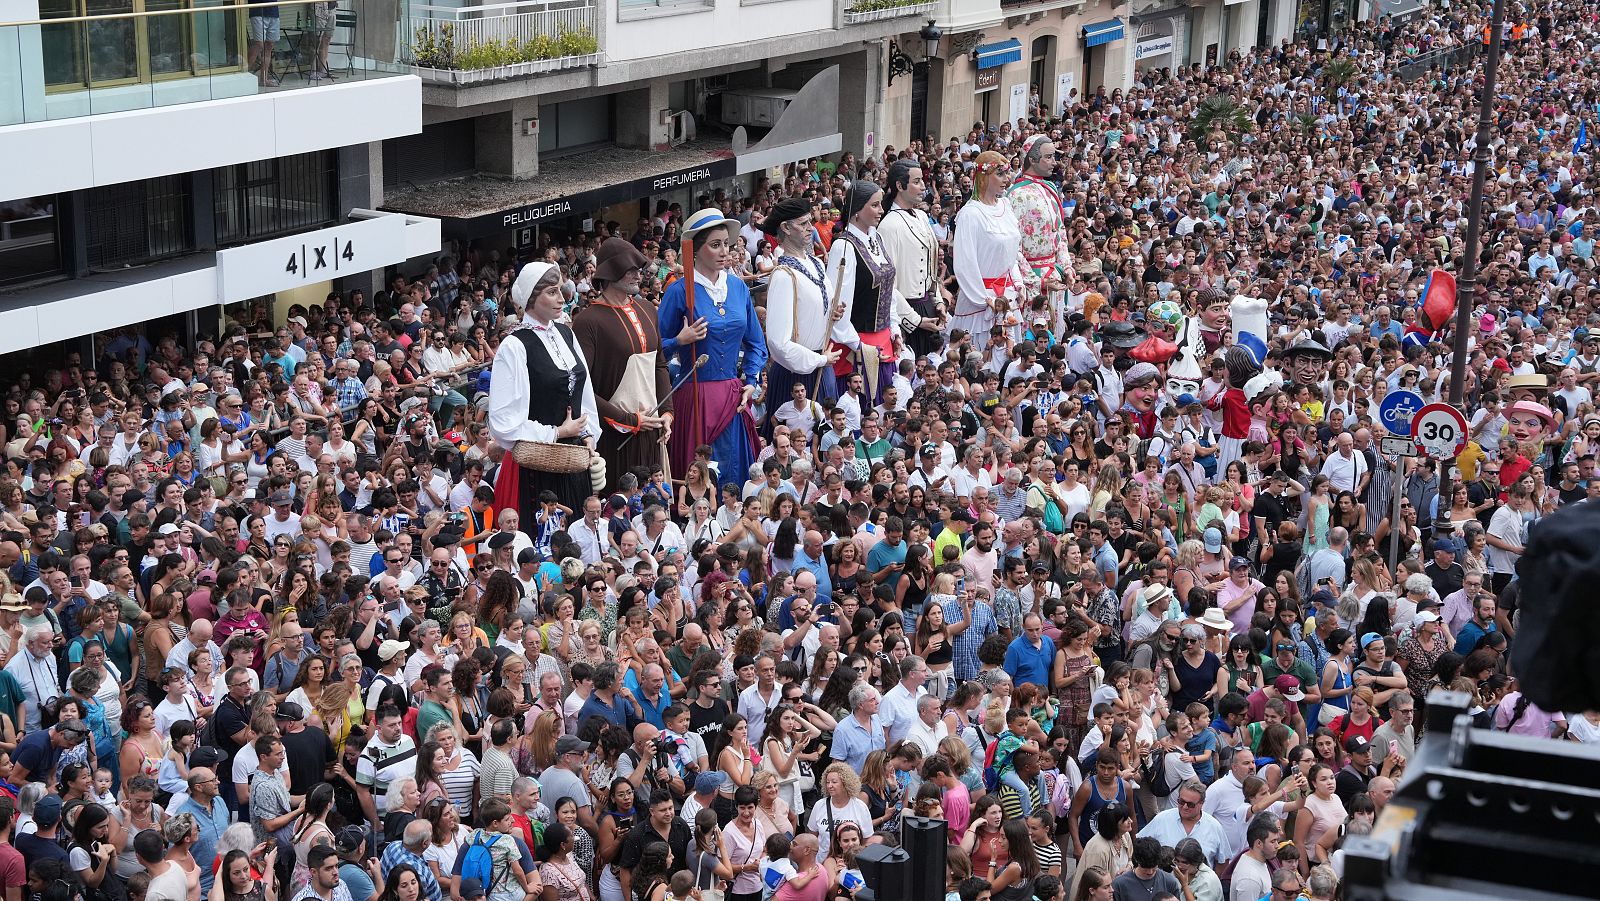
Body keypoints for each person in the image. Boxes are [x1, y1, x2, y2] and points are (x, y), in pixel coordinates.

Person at [658, 208, 768, 483]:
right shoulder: (678, 291)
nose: (724, 252)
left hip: (733, 396)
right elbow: (654, 351)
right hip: (694, 396)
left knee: (732, 473)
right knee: (699, 477)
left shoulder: (739, 288)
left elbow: (756, 343)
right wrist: (678, 341)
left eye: (726, 245)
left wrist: (751, 380)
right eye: (715, 245)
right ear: (695, 249)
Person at [488, 261, 603, 518]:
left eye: (560, 290)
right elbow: (503, 420)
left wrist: (588, 434)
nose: (561, 298)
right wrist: (558, 431)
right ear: (531, 298)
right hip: (538, 464)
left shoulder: (566, 333)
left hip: (575, 459)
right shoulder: (515, 345)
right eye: (551, 292)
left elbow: (584, 394)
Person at [571, 238, 674, 488]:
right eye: (629, 270)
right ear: (609, 272)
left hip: (654, 429)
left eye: (638, 270)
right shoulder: (588, 321)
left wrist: (667, 411)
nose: (638, 275)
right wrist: (627, 419)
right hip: (614, 436)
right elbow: (581, 388)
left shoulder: (648, 308)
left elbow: (659, 364)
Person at [761, 198, 848, 408]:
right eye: (803, 224)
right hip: (797, 376)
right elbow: (777, 342)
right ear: (786, 228)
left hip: (822, 364)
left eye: (810, 222)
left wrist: (832, 315)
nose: (811, 228)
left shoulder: (816, 262)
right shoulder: (783, 275)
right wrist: (820, 360)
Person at [951, 150, 1025, 353]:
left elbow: (1012, 254)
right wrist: (983, 299)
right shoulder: (970, 214)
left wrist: (1018, 284)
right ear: (984, 176)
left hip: (1007, 296)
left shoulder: (1006, 205)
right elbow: (965, 263)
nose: (1006, 179)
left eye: (1006, 173)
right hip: (981, 302)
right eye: (1000, 174)